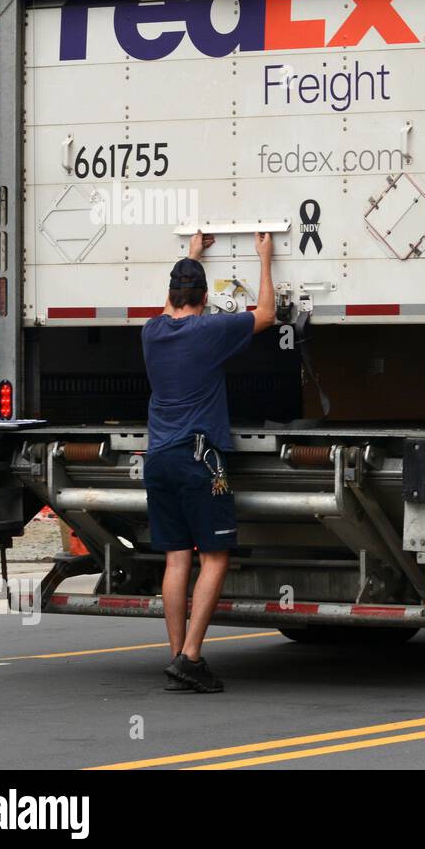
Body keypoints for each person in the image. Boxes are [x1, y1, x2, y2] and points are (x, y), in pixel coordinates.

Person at [142, 230, 275, 692]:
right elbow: (267, 314)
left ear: (173, 295)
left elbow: (170, 305)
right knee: (215, 556)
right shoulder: (212, 331)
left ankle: (178, 656)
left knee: (177, 559)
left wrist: (191, 255)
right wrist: (264, 259)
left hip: (157, 458)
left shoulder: (153, 332)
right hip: (199, 459)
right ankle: (193, 656)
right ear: (203, 297)